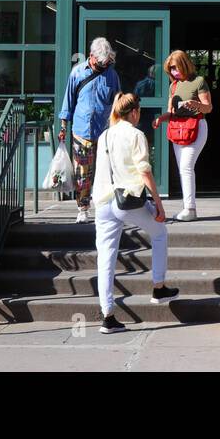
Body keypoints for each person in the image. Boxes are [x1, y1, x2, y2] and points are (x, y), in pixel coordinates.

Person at [93, 93, 179, 333]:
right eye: (138, 110)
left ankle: (107, 316)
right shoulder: (136, 135)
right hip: (128, 201)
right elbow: (145, 173)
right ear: (134, 112)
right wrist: (159, 205)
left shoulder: (104, 135)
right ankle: (158, 287)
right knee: (160, 232)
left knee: (106, 259)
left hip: (103, 202)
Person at [58, 37, 121, 223]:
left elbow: (117, 102)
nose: (103, 66)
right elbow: (68, 101)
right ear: (91, 56)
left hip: (104, 130)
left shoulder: (112, 75)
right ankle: (83, 208)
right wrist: (63, 126)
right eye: (100, 63)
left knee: (105, 170)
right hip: (81, 129)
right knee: (82, 172)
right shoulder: (77, 72)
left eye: (106, 62)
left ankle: (105, 207)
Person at [153, 49, 213, 221]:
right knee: (183, 169)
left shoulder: (199, 81)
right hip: (178, 128)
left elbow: (208, 107)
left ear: (184, 64)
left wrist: (194, 104)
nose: (174, 72)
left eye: (176, 67)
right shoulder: (173, 86)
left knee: (186, 166)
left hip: (196, 126)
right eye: (171, 69)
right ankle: (189, 208)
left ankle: (190, 209)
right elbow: (171, 112)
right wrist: (160, 120)